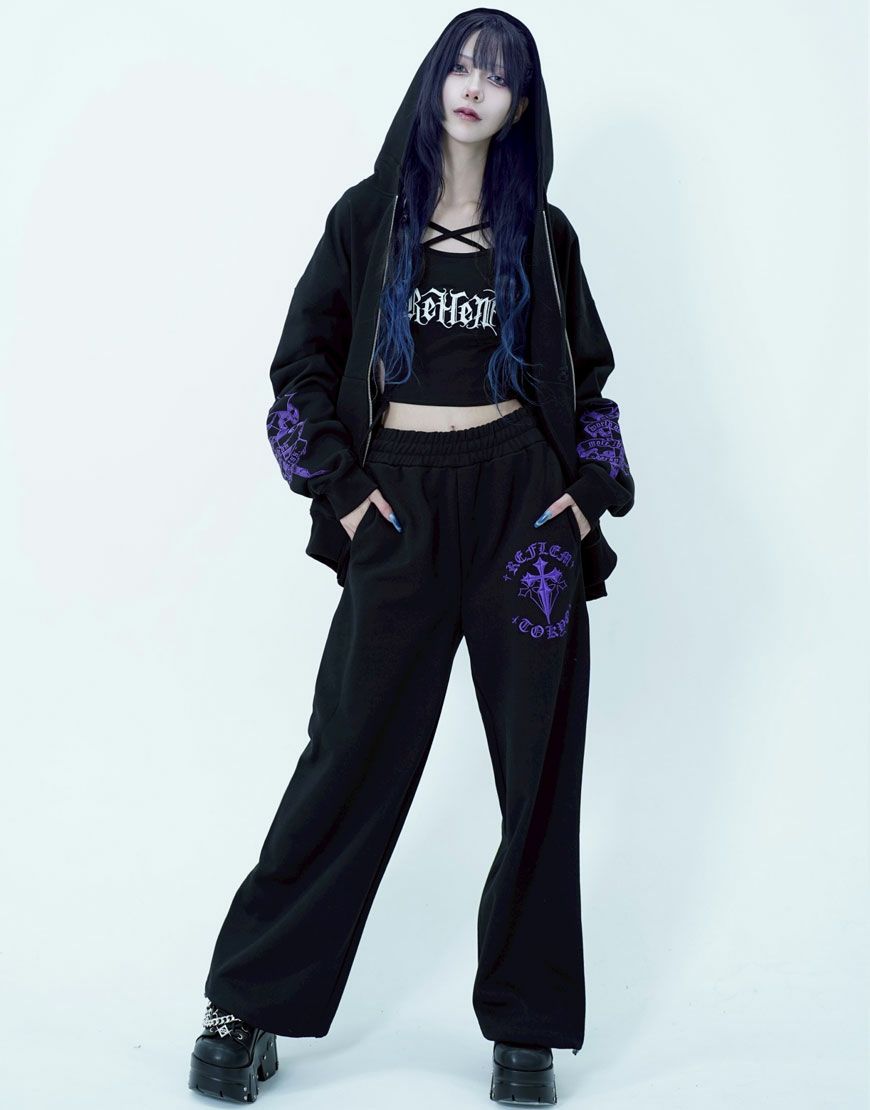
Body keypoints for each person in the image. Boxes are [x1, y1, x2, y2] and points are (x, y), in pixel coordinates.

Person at [188, 7, 635, 1104]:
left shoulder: (544, 237)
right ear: (435, 81)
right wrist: (343, 496)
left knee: (538, 767)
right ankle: (246, 1004)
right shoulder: (365, 220)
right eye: (462, 66)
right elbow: (299, 372)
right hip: (398, 509)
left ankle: (525, 1030)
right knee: (347, 753)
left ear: (520, 108)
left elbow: (593, 387)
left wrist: (582, 503)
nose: (476, 86)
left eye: (501, 76)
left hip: (523, 519)